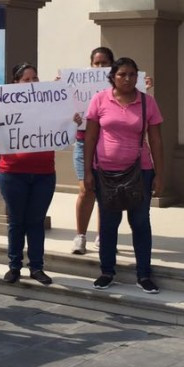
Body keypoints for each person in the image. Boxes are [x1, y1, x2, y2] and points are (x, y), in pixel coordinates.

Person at [83, 57, 165, 294]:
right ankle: (107, 271)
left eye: (132, 74)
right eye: (122, 74)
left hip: (140, 172)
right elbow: (90, 137)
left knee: (139, 222)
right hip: (105, 172)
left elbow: (157, 140)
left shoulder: (147, 103)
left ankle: (144, 275)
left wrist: (160, 174)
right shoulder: (100, 99)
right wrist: (88, 171)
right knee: (109, 223)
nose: (128, 79)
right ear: (112, 77)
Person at [0, 63, 56, 286]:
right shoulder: (3, 105)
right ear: (15, 84)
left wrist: (72, 120)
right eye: (26, 80)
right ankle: (14, 266)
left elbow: (64, 123)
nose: (31, 83)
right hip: (13, 172)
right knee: (16, 221)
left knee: (36, 221)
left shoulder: (50, 104)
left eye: (35, 79)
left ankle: (37, 267)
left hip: (44, 172)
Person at [72, 47, 114, 255]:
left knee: (105, 192)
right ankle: (80, 235)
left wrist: (144, 87)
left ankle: (102, 235)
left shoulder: (118, 88)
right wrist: (60, 87)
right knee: (86, 189)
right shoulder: (79, 83)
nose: (100, 67)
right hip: (82, 143)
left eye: (104, 63)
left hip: (107, 144)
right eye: (96, 63)